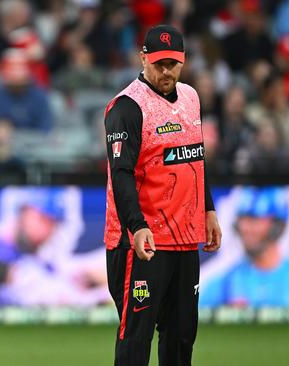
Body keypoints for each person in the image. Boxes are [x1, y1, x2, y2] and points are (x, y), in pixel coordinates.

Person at [103, 25, 223, 366]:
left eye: (173, 63)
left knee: (182, 336)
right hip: (143, 242)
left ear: (183, 62)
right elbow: (120, 174)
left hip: (185, 239)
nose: (166, 71)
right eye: (158, 63)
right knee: (136, 337)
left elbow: (195, 160)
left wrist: (208, 211)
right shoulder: (127, 107)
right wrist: (137, 226)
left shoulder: (191, 98)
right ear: (143, 58)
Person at [201, 186, 289, 307]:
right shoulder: (225, 281)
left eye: (255, 219)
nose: (246, 228)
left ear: (277, 225)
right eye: (243, 219)